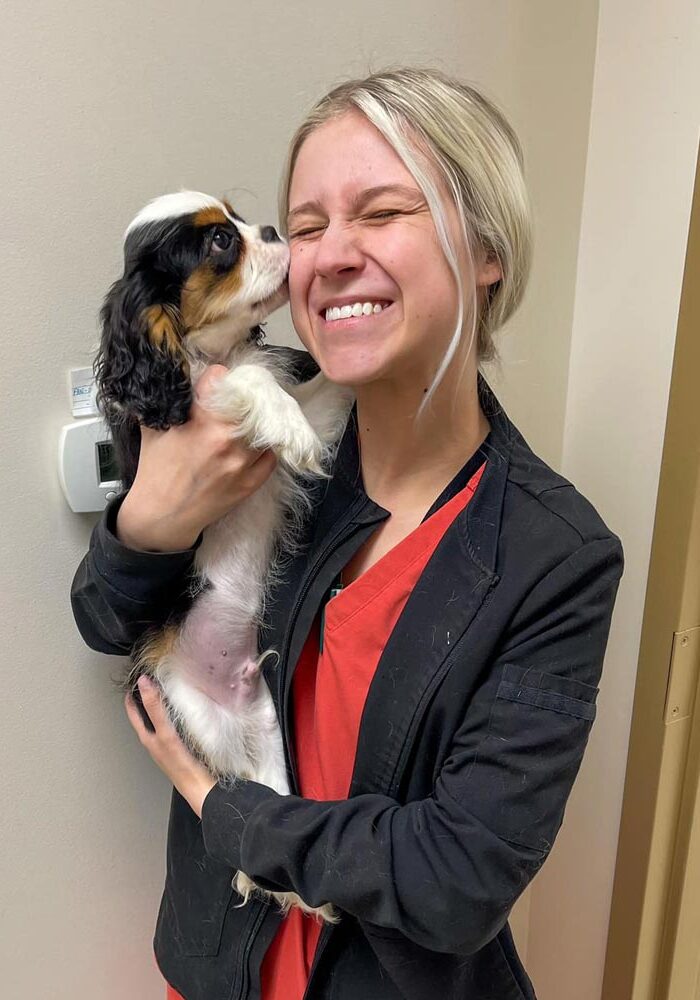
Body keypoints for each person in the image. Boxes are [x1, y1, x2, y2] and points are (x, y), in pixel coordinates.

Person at [71, 68, 624, 1000]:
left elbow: (456, 883)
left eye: (381, 211)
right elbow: (103, 618)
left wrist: (225, 808)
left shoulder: (554, 558)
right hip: (213, 972)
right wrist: (149, 519)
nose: (328, 255)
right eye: (312, 223)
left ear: (486, 250)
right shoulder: (258, 450)